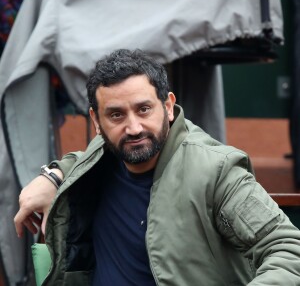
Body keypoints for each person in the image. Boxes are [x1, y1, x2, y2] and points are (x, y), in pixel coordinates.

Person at [14, 49, 300, 285]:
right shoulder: (103, 158)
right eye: (116, 115)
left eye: (144, 109)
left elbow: (288, 250)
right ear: (96, 121)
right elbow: (83, 157)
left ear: (168, 105)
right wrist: (52, 175)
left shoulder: (216, 171)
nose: (134, 127)